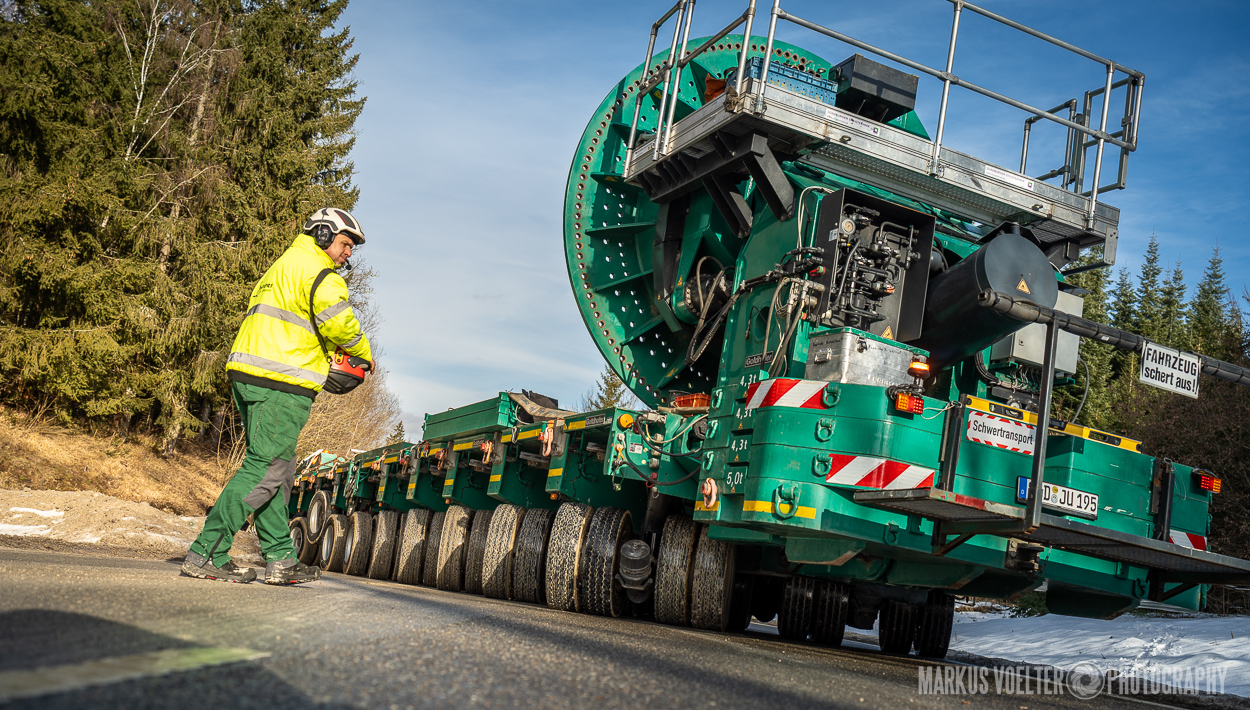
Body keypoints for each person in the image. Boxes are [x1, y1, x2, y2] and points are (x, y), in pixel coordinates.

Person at [182, 208, 374, 584]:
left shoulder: (283, 266)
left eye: (352, 247)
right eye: (345, 243)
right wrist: (364, 354)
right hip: (282, 381)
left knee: (280, 470)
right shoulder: (321, 273)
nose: (348, 252)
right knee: (266, 469)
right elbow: (341, 324)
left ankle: (280, 559)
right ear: (322, 234)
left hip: (252, 372)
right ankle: (205, 553)